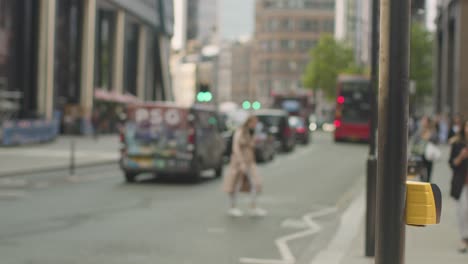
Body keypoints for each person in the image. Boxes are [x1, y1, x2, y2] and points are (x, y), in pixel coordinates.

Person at [223, 115, 266, 217]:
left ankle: (253, 207)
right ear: (248, 122)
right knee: (235, 185)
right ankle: (232, 207)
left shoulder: (252, 132)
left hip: (250, 161)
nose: (255, 125)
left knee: (256, 183)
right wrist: (241, 162)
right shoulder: (240, 132)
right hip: (238, 162)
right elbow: (236, 147)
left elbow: (252, 146)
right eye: (253, 122)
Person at [448, 120, 468, 253]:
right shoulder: (457, 144)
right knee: (463, 210)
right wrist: (461, 157)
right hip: (462, 183)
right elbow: (452, 164)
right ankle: (464, 238)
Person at [411, 116, 439, 182]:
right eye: (422, 120)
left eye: (424, 121)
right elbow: (415, 140)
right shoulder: (419, 131)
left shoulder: (432, 131)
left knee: (429, 172)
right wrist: (422, 137)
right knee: (421, 172)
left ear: (428, 122)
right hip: (420, 154)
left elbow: (436, 140)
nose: (422, 122)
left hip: (429, 155)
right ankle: (422, 183)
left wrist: (429, 137)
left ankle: (427, 184)